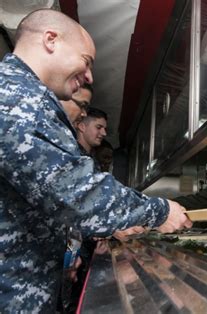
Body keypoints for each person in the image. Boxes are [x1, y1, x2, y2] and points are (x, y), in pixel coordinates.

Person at [0, 9, 191, 312]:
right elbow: (78, 193)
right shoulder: (18, 98)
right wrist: (160, 210)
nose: (89, 76)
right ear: (51, 40)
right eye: (86, 61)